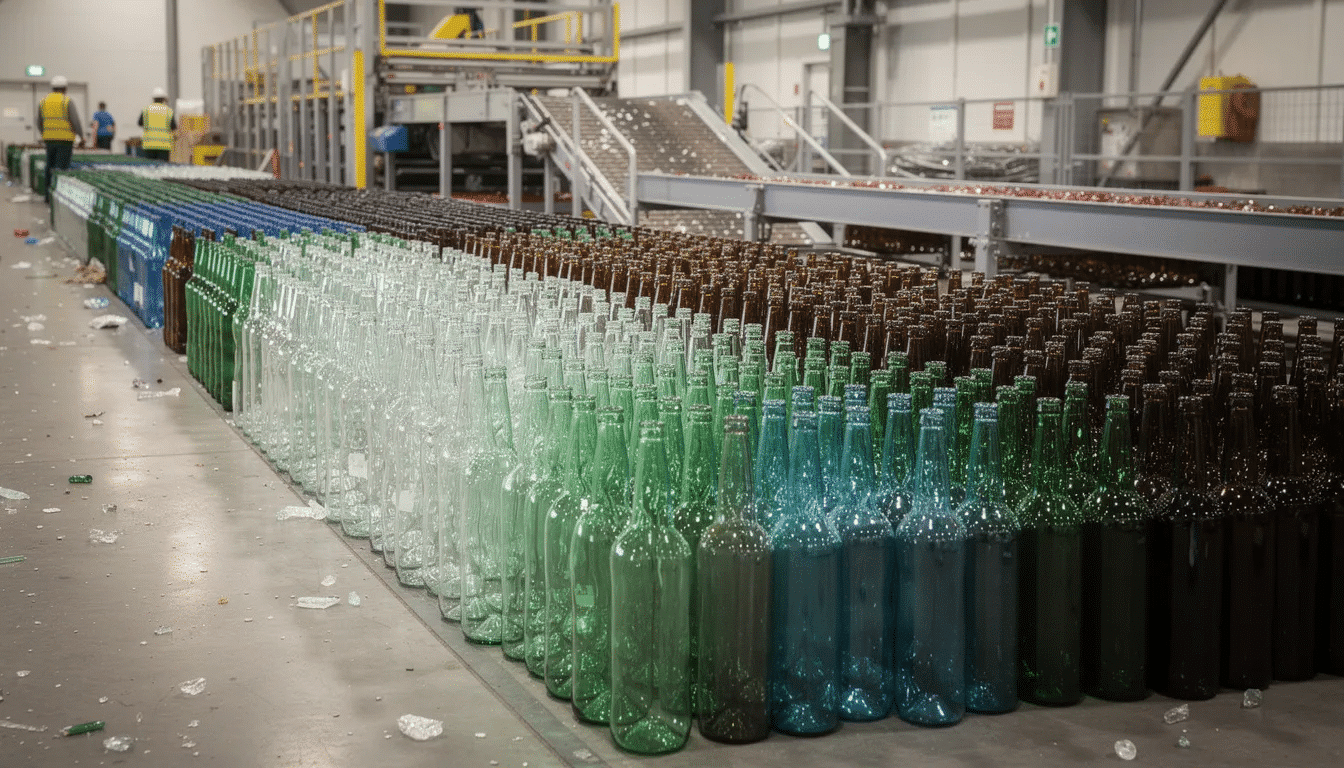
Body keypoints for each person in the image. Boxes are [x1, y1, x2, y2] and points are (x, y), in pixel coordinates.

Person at [35, 75, 84, 204]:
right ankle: (58, 198)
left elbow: (39, 122)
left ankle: (48, 196)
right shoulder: (66, 101)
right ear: (65, 88)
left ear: (52, 88)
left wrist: (45, 134)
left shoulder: (43, 101)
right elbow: (75, 121)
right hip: (65, 141)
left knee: (49, 166)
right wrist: (81, 137)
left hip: (49, 141)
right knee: (61, 169)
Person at [137, 87, 176, 162]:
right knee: (163, 167)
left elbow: (139, 123)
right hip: (164, 145)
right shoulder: (168, 111)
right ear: (164, 99)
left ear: (153, 98)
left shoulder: (146, 110)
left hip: (149, 144)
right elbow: (173, 127)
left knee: (150, 167)